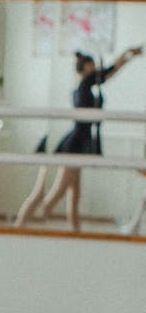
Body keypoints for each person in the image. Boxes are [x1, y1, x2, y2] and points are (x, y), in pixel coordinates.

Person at [15, 47, 143, 232]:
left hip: (78, 143)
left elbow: (109, 73)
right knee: (57, 192)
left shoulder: (84, 87)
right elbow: (109, 70)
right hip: (74, 144)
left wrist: (128, 56)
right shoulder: (84, 85)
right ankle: (25, 226)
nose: (94, 72)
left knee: (74, 193)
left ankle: (75, 232)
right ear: (85, 69)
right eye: (91, 68)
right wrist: (127, 54)